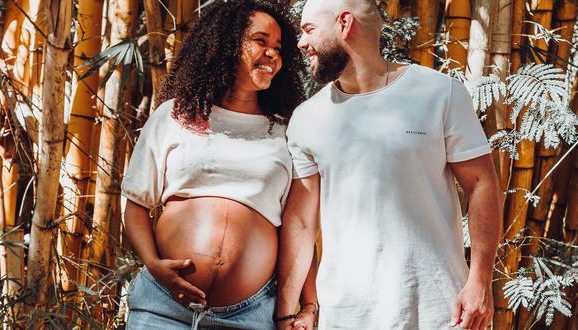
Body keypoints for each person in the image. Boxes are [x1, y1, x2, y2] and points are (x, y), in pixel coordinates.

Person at [275, 0, 503, 329]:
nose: (300, 42)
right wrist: (287, 311)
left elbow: (482, 184)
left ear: (344, 24)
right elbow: (300, 223)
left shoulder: (439, 93)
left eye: (309, 29)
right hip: (348, 314)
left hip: (441, 311)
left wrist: (480, 280)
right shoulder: (307, 119)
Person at [121, 1, 307, 329]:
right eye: (261, 41)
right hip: (163, 306)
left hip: (248, 315)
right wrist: (153, 264)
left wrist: (306, 305)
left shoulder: (287, 132)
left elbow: (299, 228)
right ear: (225, 44)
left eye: (278, 47)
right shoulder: (175, 115)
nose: (273, 54)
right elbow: (136, 203)